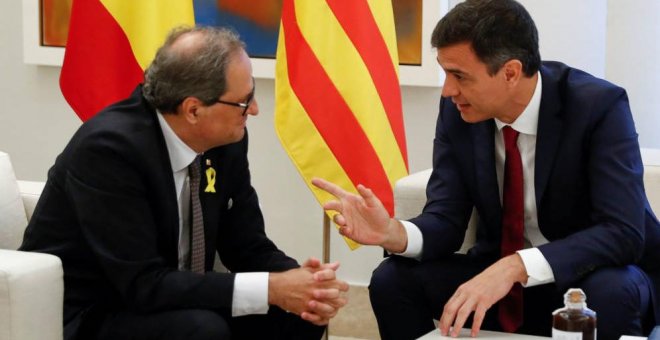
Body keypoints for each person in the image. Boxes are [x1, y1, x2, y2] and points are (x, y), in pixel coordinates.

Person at [312, 0, 660, 339]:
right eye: (446, 73)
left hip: (585, 279)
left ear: (510, 72)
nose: (448, 90)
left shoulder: (597, 106)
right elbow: (446, 219)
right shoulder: (459, 111)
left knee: (613, 290)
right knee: (393, 279)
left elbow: (622, 231)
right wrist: (393, 232)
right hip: (498, 278)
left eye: (459, 76)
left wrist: (517, 266)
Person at [20, 26, 348, 340]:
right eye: (244, 101)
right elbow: (142, 285)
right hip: (95, 310)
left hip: (170, 295)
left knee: (299, 315)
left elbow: (248, 245)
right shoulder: (109, 151)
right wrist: (271, 289)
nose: (255, 110)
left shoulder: (227, 140)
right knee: (200, 330)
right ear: (193, 110)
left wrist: (305, 285)